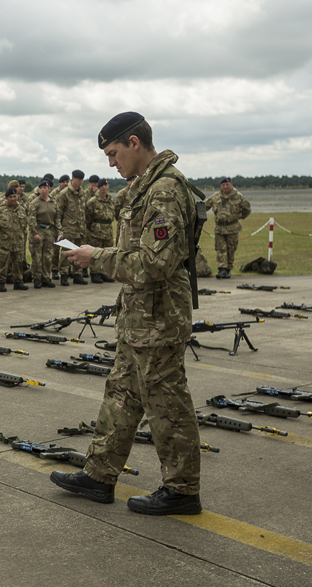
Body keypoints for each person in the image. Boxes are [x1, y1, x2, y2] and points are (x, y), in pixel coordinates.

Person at [52, 111, 202, 516]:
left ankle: (183, 490)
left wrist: (94, 255)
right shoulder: (144, 188)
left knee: (167, 404)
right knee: (121, 394)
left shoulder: (166, 190)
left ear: (135, 143)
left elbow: (154, 263)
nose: (111, 162)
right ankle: (99, 476)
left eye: (114, 152)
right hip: (138, 317)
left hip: (159, 319)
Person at [205, 177, 251, 279]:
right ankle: (222, 269)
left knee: (231, 249)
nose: (225, 187)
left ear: (231, 185)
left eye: (227, 185)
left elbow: (247, 209)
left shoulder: (238, 197)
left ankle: (228, 269)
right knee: (220, 249)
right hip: (220, 228)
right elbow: (204, 206)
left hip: (233, 227)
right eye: (223, 185)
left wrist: (239, 216)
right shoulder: (215, 197)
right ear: (221, 186)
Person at [55, 169, 88, 286]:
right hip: (68, 229)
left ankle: (77, 274)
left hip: (80, 229)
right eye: (78, 179)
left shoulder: (82, 194)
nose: (80, 182)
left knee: (80, 251)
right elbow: (58, 213)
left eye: (81, 180)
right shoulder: (64, 194)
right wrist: (60, 230)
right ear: (73, 179)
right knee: (66, 252)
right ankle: (64, 275)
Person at [0, 187, 29, 292]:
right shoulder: (1, 210)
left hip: (18, 241)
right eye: (10, 197)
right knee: (2, 263)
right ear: (6, 198)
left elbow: (24, 224)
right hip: (5, 241)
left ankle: (18, 282)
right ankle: (1, 282)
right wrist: (2, 236)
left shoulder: (21, 209)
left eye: (15, 196)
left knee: (18, 263)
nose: (13, 199)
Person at [27, 179, 57, 289]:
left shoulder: (53, 202)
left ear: (49, 189)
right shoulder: (35, 202)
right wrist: (35, 233)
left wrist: (59, 232)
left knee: (48, 256)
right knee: (37, 257)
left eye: (45, 188)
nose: (43, 190)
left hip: (49, 231)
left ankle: (46, 277)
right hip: (39, 230)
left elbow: (57, 218)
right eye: (41, 188)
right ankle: (37, 278)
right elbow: (31, 219)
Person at [85, 178, 116, 283]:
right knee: (95, 253)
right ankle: (95, 274)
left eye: (105, 185)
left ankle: (105, 273)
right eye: (101, 186)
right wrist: (91, 230)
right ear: (98, 187)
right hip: (96, 231)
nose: (103, 187)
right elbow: (88, 218)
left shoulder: (110, 201)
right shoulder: (92, 201)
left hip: (108, 230)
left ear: (108, 186)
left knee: (107, 253)